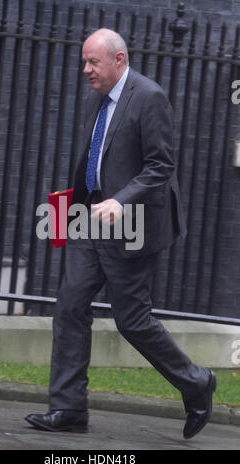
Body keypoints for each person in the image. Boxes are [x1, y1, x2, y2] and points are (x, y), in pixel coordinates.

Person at [25, 28, 216, 440]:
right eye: (84, 62)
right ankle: (68, 408)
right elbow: (94, 158)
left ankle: (197, 382)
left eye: (93, 62)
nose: (86, 70)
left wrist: (121, 200)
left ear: (119, 60)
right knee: (70, 307)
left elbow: (161, 166)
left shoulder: (149, 97)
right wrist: (71, 207)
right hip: (89, 218)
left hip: (131, 225)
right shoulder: (96, 99)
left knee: (133, 321)